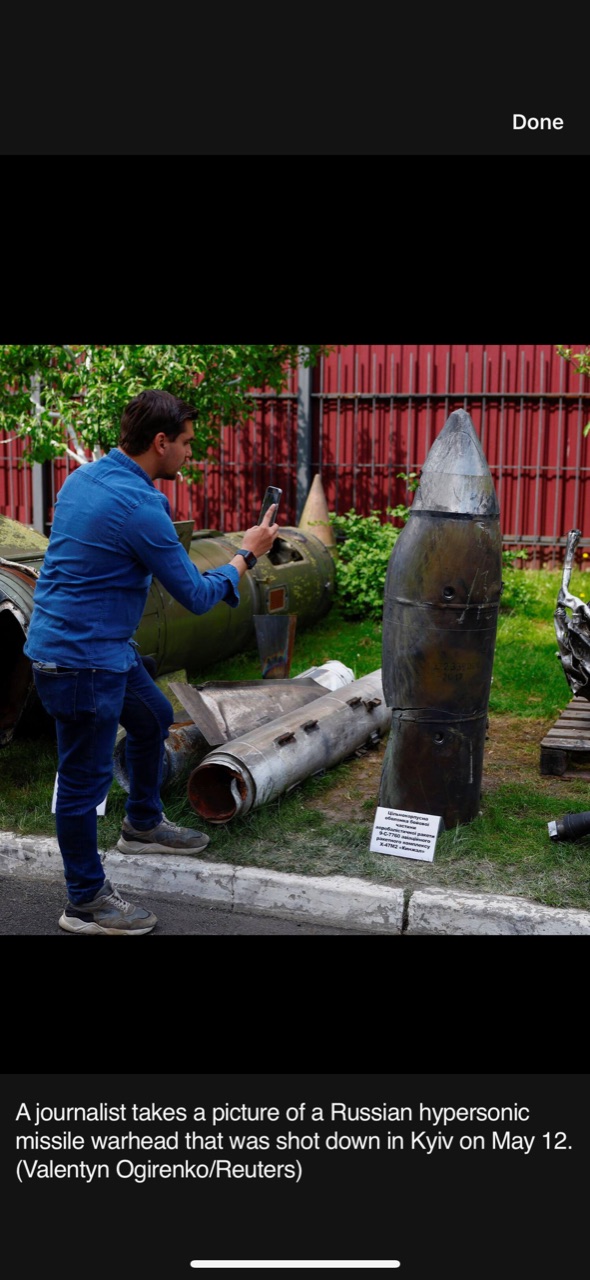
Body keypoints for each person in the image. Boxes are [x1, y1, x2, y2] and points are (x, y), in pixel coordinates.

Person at [24, 388, 279, 936]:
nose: (190, 452)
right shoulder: (141, 507)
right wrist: (246, 554)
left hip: (96, 645)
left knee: (152, 717)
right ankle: (85, 901)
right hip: (80, 661)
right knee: (82, 783)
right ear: (160, 442)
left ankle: (141, 823)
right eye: (185, 442)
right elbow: (198, 596)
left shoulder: (84, 478)